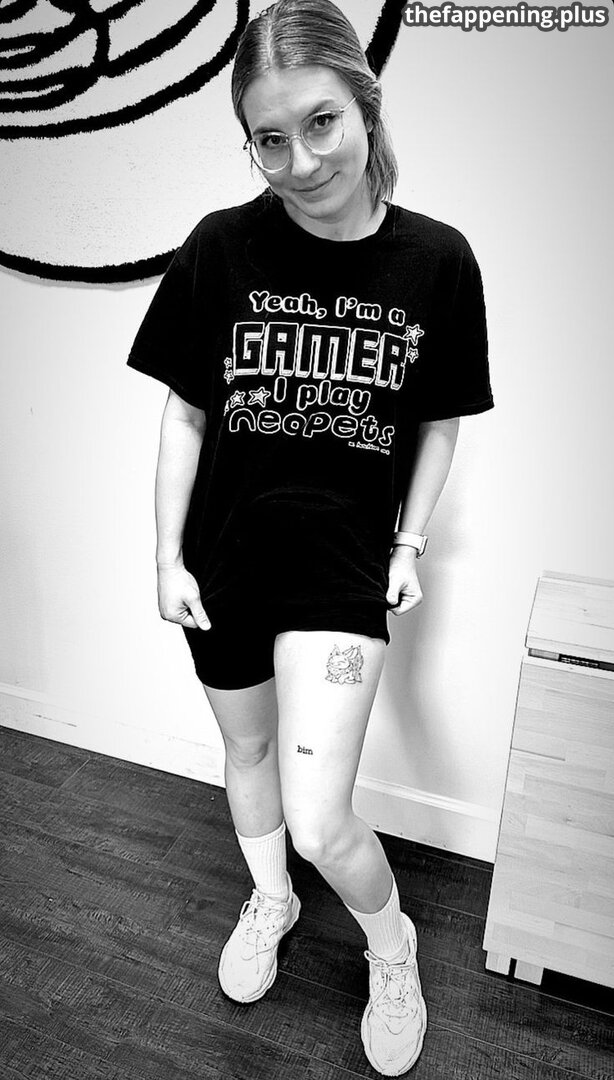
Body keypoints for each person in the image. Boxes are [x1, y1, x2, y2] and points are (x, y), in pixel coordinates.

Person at [127, 1, 494, 1073]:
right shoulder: (220, 246)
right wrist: (166, 556)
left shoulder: (437, 259)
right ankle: (271, 899)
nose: (300, 162)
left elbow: (439, 419)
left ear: (364, 105)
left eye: (321, 123)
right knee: (244, 753)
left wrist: (408, 544)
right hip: (225, 559)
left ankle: (393, 947)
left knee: (321, 813)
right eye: (270, 139)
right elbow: (186, 413)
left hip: (340, 567)